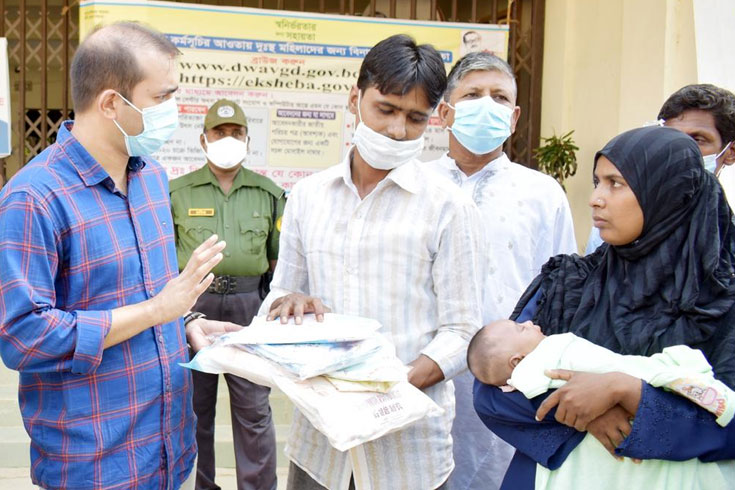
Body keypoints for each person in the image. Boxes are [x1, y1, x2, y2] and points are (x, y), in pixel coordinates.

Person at [0, 22, 239, 490]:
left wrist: (185, 319)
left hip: (170, 451)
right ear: (111, 103)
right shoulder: (34, 198)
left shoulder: (150, 177)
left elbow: (147, 287)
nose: (173, 111)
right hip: (94, 466)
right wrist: (156, 311)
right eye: (161, 98)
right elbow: (22, 336)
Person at [260, 34, 485, 490]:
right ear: (354, 99)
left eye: (416, 118)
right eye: (386, 109)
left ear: (433, 119)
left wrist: (398, 383)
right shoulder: (308, 196)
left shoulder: (448, 207)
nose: (398, 130)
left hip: (408, 453)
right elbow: (279, 296)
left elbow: (462, 330)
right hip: (319, 446)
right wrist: (290, 304)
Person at [473, 126, 735, 489]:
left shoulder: (720, 303)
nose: (596, 198)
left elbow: (730, 428)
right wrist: (582, 412)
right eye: (597, 182)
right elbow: (489, 386)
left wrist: (631, 394)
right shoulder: (568, 282)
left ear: (668, 195)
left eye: (616, 184)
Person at [424, 51, 577, 490]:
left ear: (513, 118)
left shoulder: (542, 194)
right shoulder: (414, 185)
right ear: (445, 111)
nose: (486, 104)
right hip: (423, 370)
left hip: (507, 382)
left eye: (498, 97)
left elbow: (561, 294)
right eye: (473, 94)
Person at [170, 98, 285, 490]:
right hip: (193, 308)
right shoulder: (177, 193)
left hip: (248, 307)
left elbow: (277, 263)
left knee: (253, 409)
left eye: (236, 133)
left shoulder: (269, 193)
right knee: (194, 409)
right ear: (203, 140)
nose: (228, 139)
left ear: (247, 140)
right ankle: (201, 485)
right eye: (219, 133)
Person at [469, 319, 734, 425]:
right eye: (520, 328)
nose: (530, 321)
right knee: (653, 374)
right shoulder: (544, 360)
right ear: (517, 361)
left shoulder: (521, 377)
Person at [585, 83, 735, 253]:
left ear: (730, 152)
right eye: (670, 138)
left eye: (698, 140)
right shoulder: (618, 225)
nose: (681, 151)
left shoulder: (727, 242)